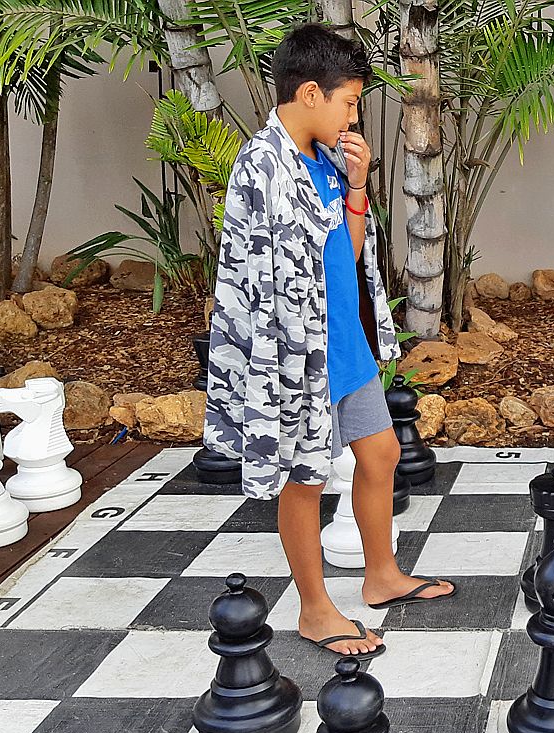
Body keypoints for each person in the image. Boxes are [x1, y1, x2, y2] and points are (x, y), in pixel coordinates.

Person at [203, 24, 453, 660]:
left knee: (382, 456)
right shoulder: (261, 166)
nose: (354, 116)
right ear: (309, 92)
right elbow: (254, 283)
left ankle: (381, 575)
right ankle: (315, 610)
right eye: (348, 102)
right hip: (295, 355)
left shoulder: (321, 159)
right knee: (303, 480)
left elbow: (349, 248)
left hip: (343, 342)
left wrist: (359, 186)